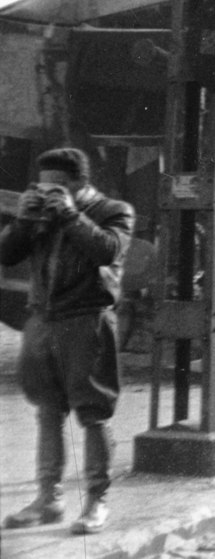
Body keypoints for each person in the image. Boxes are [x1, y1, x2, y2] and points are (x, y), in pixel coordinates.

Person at [1, 148, 133, 534]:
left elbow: (108, 251)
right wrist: (24, 220)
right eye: (42, 188)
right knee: (46, 410)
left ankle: (96, 502)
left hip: (87, 320)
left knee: (94, 413)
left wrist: (71, 215)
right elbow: (6, 255)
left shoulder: (114, 210)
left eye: (55, 187)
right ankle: (48, 499)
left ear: (79, 183)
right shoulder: (41, 213)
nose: (47, 195)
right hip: (42, 319)